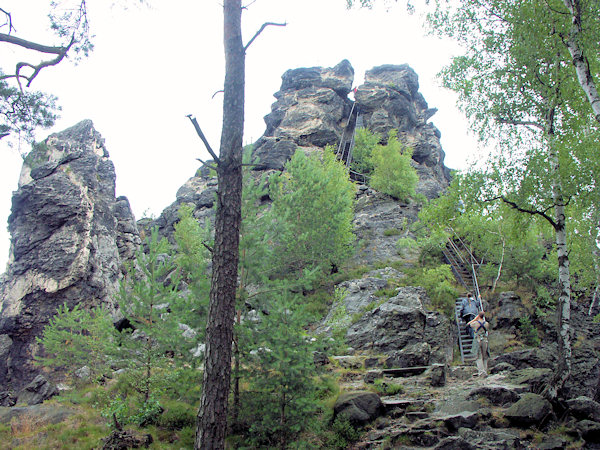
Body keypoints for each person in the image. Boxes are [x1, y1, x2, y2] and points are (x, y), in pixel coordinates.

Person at [468, 311, 490, 377]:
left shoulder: (475, 323)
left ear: (478, 316)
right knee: (485, 356)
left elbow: (469, 324)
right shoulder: (486, 323)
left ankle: (481, 372)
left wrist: (475, 319)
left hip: (478, 340)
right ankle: (485, 371)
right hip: (485, 340)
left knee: (479, 356)